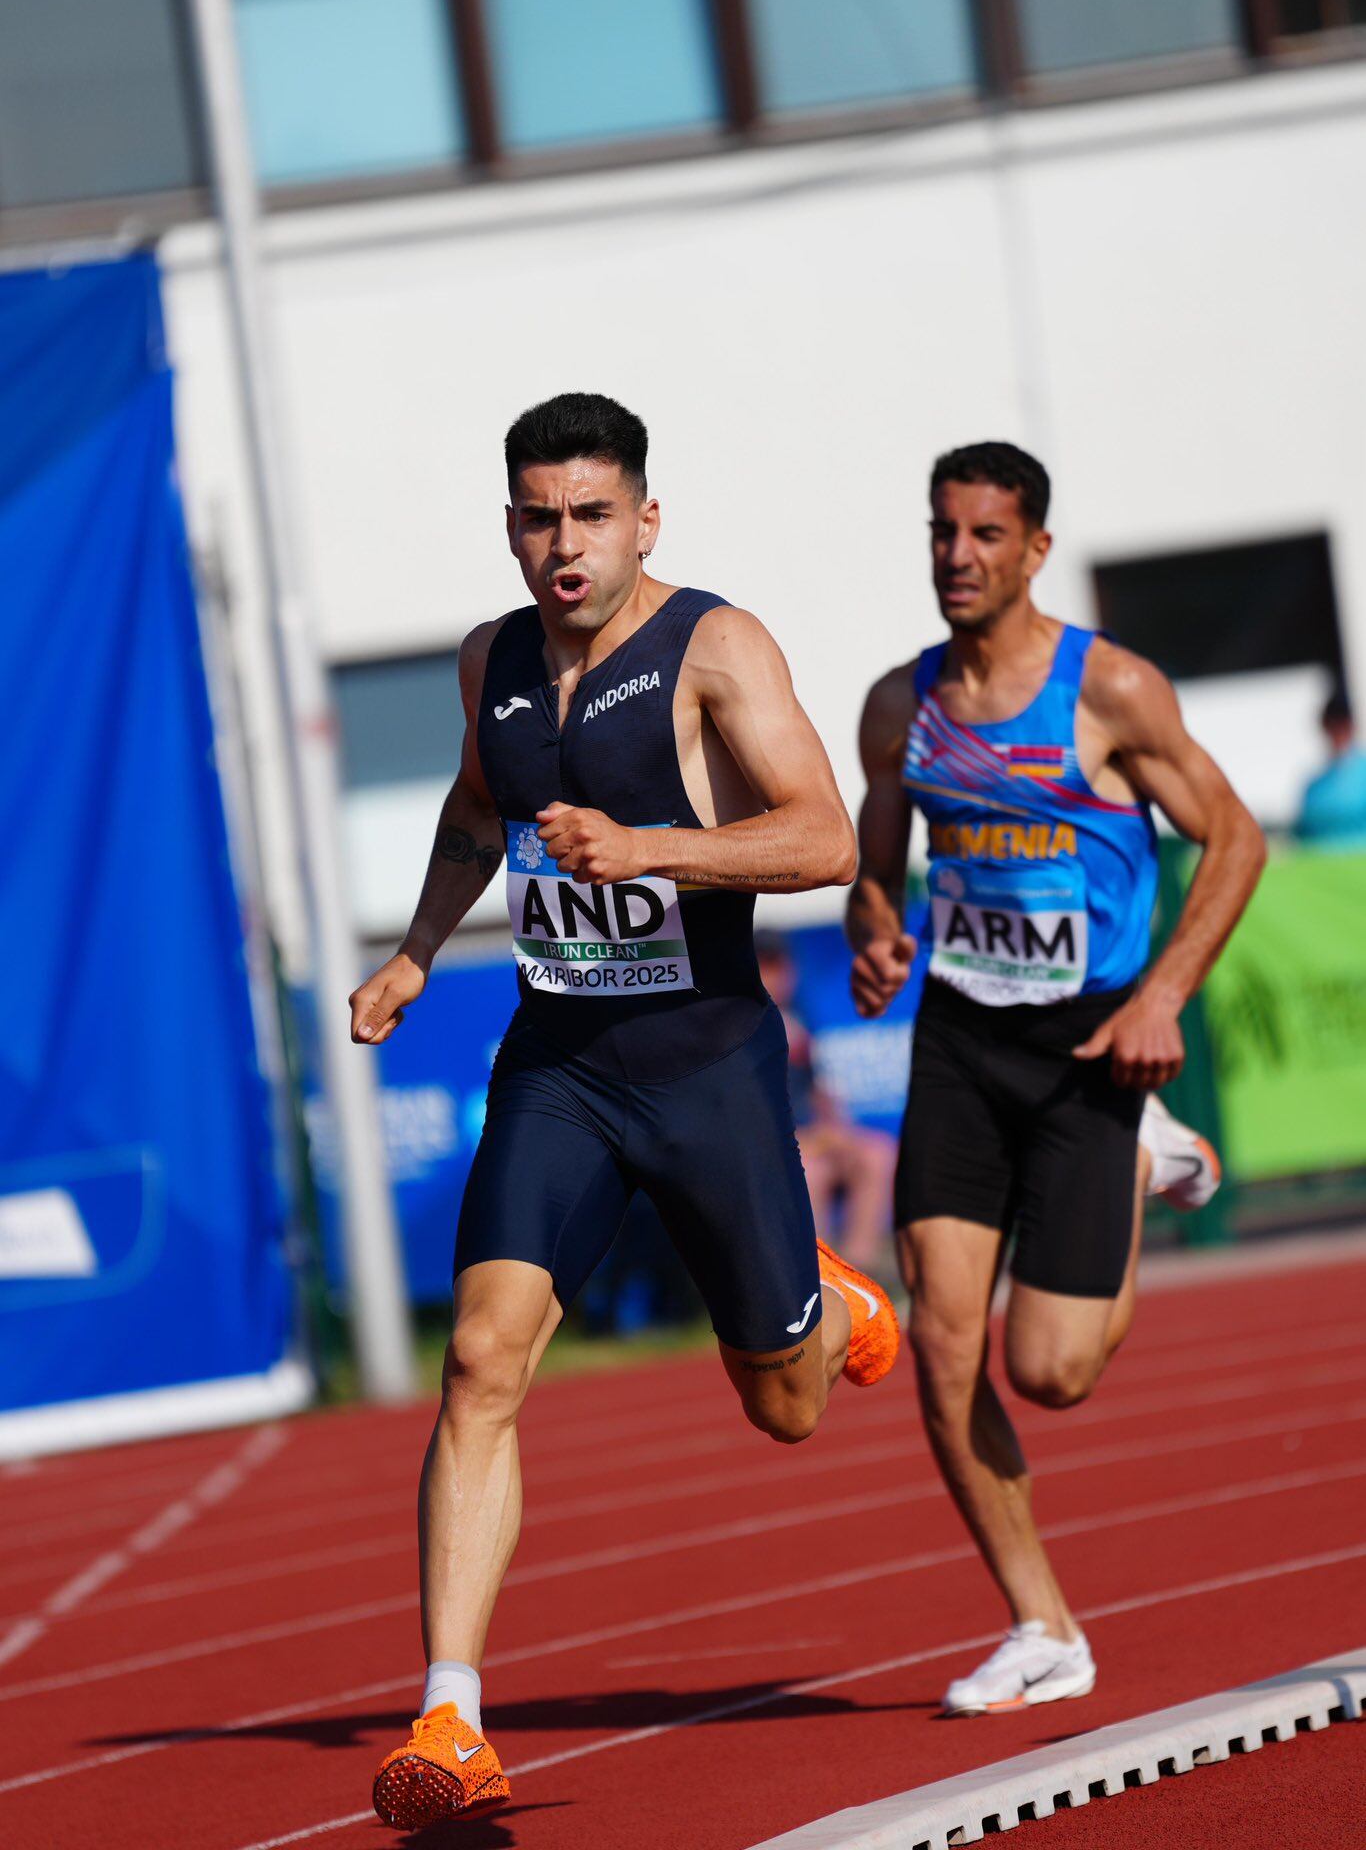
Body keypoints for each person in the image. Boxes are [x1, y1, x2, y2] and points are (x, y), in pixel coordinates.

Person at [350, 393, 900, 1826]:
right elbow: (480, 810)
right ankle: (452, 1719)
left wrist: (649, 846)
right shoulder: (494, 660)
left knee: (782, 1408)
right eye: (539, 517)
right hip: (563, 1062)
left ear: (644, 519)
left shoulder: (714, 646)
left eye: (591, 515)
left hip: (706, 1063)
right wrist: (415, 949)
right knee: (479, 1358)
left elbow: (824, 835)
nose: (564, 545)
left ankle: (827, 1306)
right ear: (512, 527)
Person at [847, 441, 1264, 1715]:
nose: (957, 557)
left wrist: (1159, 996)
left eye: (984, 535)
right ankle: (1042, 1625)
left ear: (1033, 549)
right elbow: (877, 854)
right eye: (940, 532)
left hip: (1092, 1053)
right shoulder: (899, 704)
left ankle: (1141, 1145)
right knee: (941, 1345)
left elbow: (1235, 836)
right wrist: (873, 925)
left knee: (1053, 1370)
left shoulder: (1111, 692)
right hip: (963, 1047)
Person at [756, 932, 897, 1270]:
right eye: (766, 966)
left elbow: (819, 1089)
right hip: (773, 1145)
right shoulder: (738, 1026)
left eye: (780, 965)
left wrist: (838, 1130)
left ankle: (858, 1275)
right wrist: (810, 1137)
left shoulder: (800, 1019)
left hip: (814, 1136)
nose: (776, 975)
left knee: (877, 1154)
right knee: (811, 1171)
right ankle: (815, 1278)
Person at [1295, 685, 1366, 847]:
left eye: (1342, 724)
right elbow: (1302, 838)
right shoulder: (1313, 788)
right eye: (1332, 725)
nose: (1338, 732)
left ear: (1352, 726)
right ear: (1325, 727)